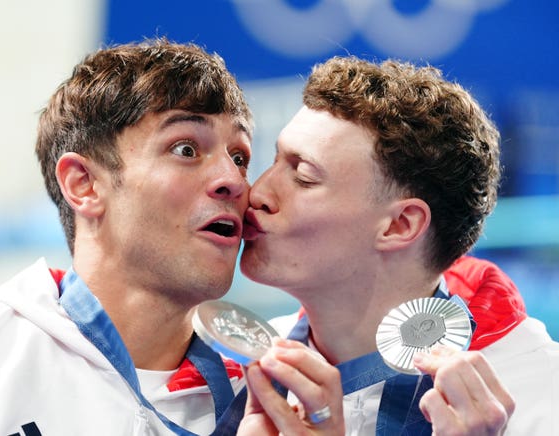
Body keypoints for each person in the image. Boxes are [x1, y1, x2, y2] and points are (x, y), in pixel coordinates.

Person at [0, 38, 342, 436]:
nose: (233, 180)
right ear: (84, 184)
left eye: (239, 157)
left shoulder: (271, 405)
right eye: (186, 149)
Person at [237, 56, 559, 435]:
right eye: (274, 161)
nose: (257, 193)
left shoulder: (537, 395)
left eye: (304, 177)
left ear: (399, 225)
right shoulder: (241, 372)